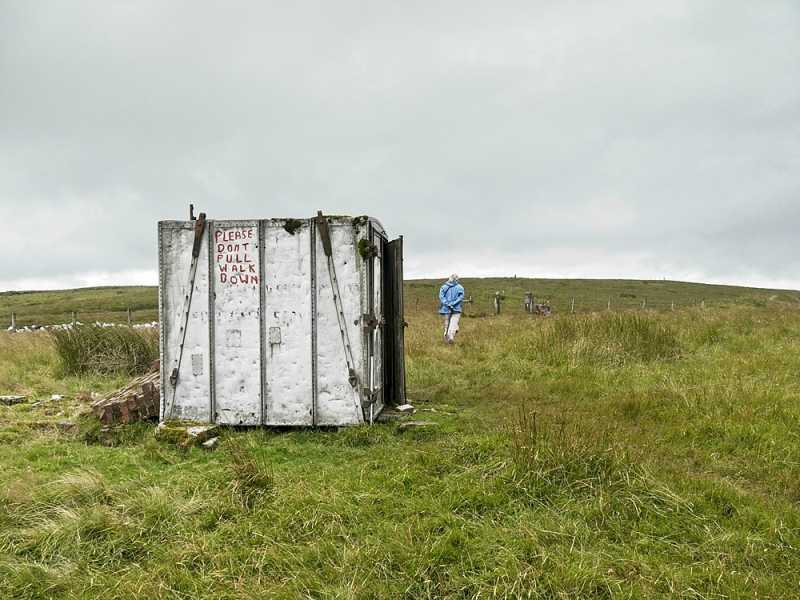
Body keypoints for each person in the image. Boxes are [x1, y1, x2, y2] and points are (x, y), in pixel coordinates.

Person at [438, 274, 465, 343]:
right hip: (456, 308)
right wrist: (454, 303)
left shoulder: (443, 287)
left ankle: (447, 336)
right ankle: (450, 337)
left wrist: (447, 303)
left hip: (446, 308)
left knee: (447, 322)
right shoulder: (460, 287)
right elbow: (461, 297)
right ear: (457, 279)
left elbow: (441, 297)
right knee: (454, 322)